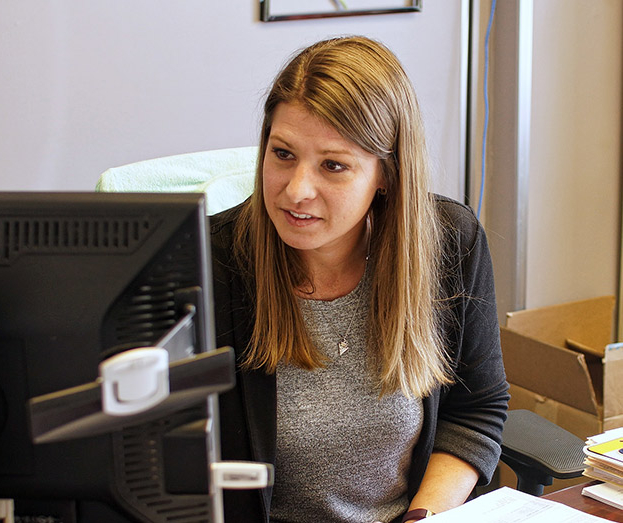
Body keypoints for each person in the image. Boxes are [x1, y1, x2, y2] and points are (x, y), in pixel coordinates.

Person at [210, 36, 509, 523]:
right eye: (283, 154)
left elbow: (476, 411)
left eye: (333, 165)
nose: (297, 190)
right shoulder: (213, 262)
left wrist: (420, 518)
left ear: (385, 174)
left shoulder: (448, 243)